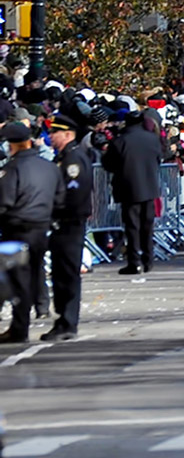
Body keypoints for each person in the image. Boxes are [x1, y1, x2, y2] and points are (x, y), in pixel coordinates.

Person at [0, 121, 56, 342]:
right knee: (37, 268)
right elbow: (60, 197)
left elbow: (4, 201)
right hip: (42, 226)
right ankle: (42, 305)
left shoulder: (11, 170)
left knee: (18, 277)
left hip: (18, 227)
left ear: (11, 144)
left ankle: (19, 326)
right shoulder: (49, 167)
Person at [42, 109, 94, 341]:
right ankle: (64, 318)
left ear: (69, 135)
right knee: (61, 273)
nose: (51, 136)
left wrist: (56, 210)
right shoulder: (64, 157)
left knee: (67, 273)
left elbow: (73, 193)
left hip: (69, 222)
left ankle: (67, 321)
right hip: (62, 222)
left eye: (56, 133)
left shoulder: (73, 159)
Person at [103, 108, 163, 275]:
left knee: (132, 226)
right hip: (150, 186)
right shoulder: (152, 139)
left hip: (128, 186)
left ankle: (134, 261)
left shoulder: (120, 141)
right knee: (147, 225)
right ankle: (149, 259)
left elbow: (109, 163)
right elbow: (159, 158)